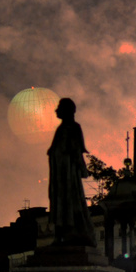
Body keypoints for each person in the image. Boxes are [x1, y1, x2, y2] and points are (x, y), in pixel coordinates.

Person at [47, 97, 95, 246]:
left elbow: (75, 152)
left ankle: (71, 232)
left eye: (59, 108)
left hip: (68, 175)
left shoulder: (73, 128)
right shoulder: (62, 129)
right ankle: (61, 234)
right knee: (60, 203)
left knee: (69, 202)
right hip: (59, 176)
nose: (56, 110)